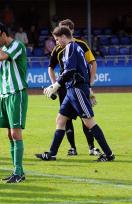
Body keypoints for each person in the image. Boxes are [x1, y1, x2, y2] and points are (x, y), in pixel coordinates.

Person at [38, 26, 115, 162]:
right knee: (60, 120)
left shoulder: (70, 48)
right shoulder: (76, 47)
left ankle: (109, 154)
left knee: (89, 122)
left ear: (63, 36)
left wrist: (56, 85)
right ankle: (52, 153)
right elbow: (83, 69)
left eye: (57, 39)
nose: (56, 43)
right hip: (72, 90)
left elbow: (70, 71)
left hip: (76, 89)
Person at [0, 22, 28, 183]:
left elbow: (1, 57)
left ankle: (18, 172)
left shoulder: (17, 45)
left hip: (16, 94)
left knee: (15, 133)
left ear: (1, 33)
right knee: (10, 134)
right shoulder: (0, 48)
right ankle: (16, 171)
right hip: (4, 96)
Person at [48, 19, 100, 156]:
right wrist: (56, 85)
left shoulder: (80, 44)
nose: (61, 33)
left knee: (86, 117)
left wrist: (90, 83)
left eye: (64, 29)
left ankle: (92, 147)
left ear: (71, 30)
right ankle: (72, 147)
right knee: (65, 118)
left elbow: (93, 62)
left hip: (79, 86)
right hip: (65, 87)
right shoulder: (57, 48)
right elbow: (50, 68)